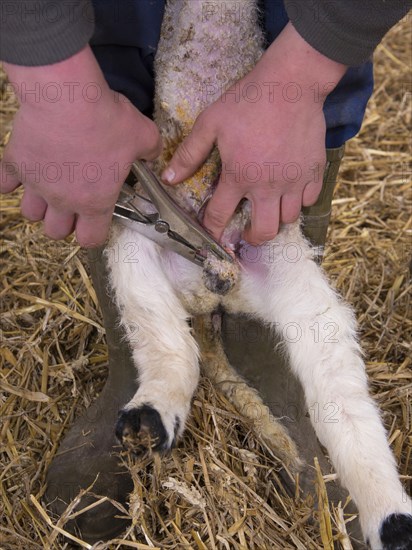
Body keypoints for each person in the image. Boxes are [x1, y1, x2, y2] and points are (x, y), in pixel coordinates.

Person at [1, 0, 411, 544]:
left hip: (269, 232)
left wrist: (305, 75)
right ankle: (159, 383)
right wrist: (56, 88)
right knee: (129, 251)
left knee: (323, 336)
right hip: (151, 183)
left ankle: (382, 502)